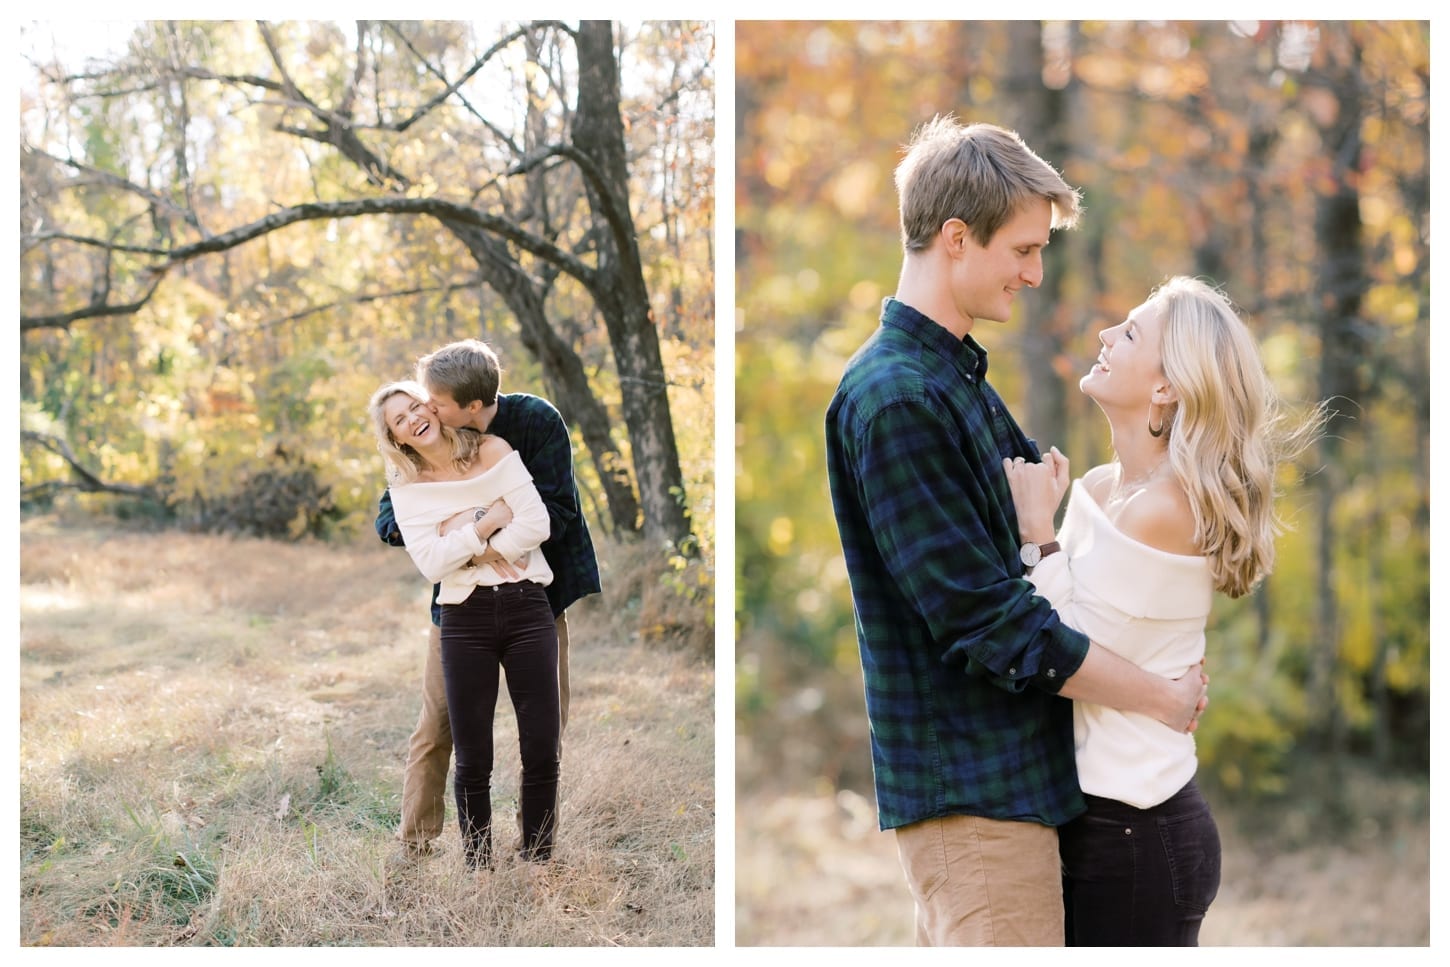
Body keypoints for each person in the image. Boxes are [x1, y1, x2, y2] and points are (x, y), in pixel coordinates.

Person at [824, 116, 1208, 947]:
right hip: (972, 793)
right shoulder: (897, 398)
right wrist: (1161, 695)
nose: (1036, 274)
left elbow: (1038, 567)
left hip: (1018, 786)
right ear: (956, 238)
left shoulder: (954, 378)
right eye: (1024, 251)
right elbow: (986, 620)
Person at [1004, 276, 1316, 945]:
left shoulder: (1165, 508)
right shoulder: (1097, 486)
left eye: (1131, 332)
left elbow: (1063, 649)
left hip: (1138, 834)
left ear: (1166, 386)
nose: (1105, 336)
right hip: (1096, 821)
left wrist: (1039, 531)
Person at [375, 339, 601, 858]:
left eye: (434, 402)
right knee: (436, 724)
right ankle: (416, 841)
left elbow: (554, 513)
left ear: (470, 408)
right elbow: (394, 522)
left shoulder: (534, 424)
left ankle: (535, 842)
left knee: (546, 725)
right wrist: (470, 530)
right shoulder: (418, 454)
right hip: (457, 602)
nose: (426, 409)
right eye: (417, 405)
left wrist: (473, 539)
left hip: (537, 591)